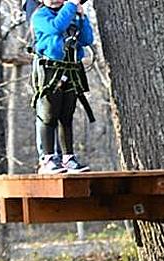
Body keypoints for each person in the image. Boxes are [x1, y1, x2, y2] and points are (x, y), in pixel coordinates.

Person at [29, 0, 94, 174]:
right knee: (49, 114)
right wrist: (71, 7)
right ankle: (48, 158)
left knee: (67, 115)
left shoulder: (70, 14)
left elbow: (87, 39)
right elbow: (56, 28)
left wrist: (81, 17)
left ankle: (68, 158)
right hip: (50, 71)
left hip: (70, 69)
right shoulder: (41, 15)